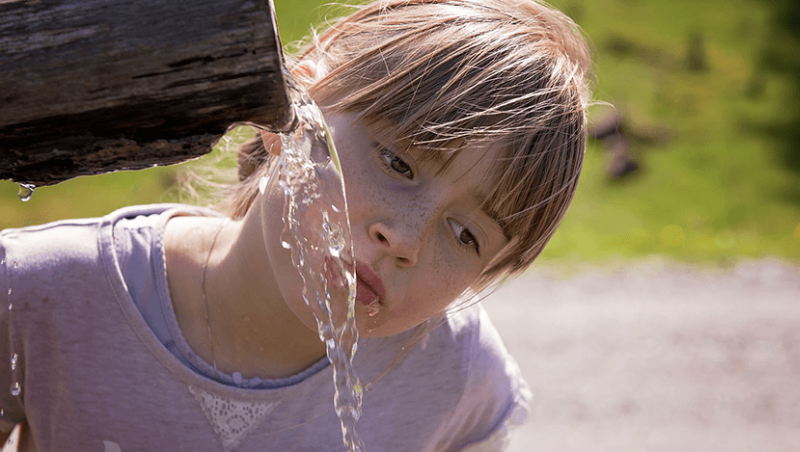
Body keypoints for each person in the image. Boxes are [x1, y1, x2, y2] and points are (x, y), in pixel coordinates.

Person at [0, 0, 591, 450]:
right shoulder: (40, 296)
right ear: (292, 104)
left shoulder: (453, 373)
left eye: (465, 235)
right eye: (398, 162)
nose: (405, 238)